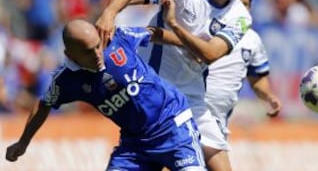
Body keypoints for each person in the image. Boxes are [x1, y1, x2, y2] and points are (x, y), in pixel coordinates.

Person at [96, 0, 258, 170]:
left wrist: (173, 25)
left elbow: (211, 53)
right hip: (153, 94)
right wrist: (109, 13)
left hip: (192, 100)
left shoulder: (241, 17)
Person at [5, 19, 206, 171]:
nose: (97, 54)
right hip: (135, 145)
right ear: (70, 55)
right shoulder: (66, 81)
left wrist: (187, 45)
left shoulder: (118, 38)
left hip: (173, 126)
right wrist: (23, 142)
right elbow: (43, 104)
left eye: (97, 46)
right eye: (87, 51)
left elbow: (152, 33)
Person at [205, 0, 282, 138]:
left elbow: (257, 79)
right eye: (235, 3)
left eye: (244, 4)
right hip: (192, 111)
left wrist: (269, 97)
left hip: (219, 123)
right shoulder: (204, 29)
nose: (239, 8)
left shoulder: (252, 40)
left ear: (250, 7)